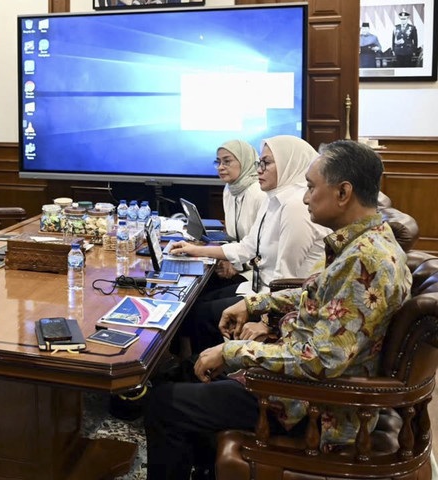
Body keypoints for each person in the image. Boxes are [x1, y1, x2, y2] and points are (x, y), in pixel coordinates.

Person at [144, 140, 412, 479]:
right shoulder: (362, 243)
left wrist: (233, 351)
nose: (305, 197)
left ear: (343, 193)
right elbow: (315, 293)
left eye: (312, 188)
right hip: (297, 379)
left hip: (308, 404)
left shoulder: (366, 262)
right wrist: (252, 303)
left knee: (164, 404)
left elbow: (320, 361)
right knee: (188, 373)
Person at [171, 136, 331, 356]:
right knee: (196, 302)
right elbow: (248, 246)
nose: (259, 170)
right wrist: (195, 250)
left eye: (267, 163)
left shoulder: (295, 207)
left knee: (200, 314)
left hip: (280, 301)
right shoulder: (274, 198)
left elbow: (286, 278)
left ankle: (208, 367)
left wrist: (265, 322)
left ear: (289, 163)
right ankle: (202, 364)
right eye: (259, 163)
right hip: (260, 288)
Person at [212, 140, 266, 285]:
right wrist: (227, 258)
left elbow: (265, 248)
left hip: (257, 274)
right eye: (218, 162)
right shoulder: (229, 189)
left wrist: (238, 265)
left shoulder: (259, 193)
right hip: (237, 264)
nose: (220, 167)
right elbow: (232, 237)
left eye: (227, 161)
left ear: (245, 161)